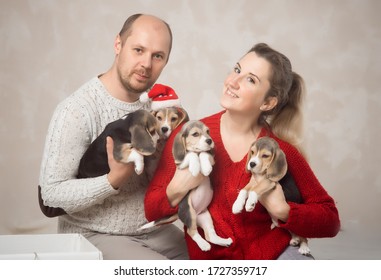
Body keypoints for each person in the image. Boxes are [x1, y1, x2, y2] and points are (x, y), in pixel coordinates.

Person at [144, 43, 341, 259]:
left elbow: (331, 220)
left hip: (276, 255)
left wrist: (283, 210)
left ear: (267, 102)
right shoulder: (189, 134)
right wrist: (176, 189)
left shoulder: (279, 150)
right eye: (237, 70)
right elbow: (151, 209)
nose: (233, 82)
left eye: (250, 79)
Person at [38, 14, 189, 260]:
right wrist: (112, 181)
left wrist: (176, 199)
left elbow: (170, 169)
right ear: (118, 44)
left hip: (152, 229)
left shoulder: (162, 106)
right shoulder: (76, 110)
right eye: (138, 50)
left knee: (215, 262)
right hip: (94, 233)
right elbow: (51, 194)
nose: (146, 64)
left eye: (157, 56)